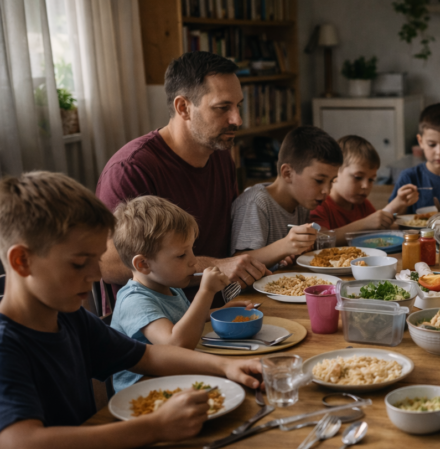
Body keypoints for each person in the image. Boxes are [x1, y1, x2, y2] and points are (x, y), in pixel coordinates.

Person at [0, 172, 262, 449]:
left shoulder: (69, 317)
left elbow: (149, 356)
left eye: (95, 259)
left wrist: (226, 366)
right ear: (21, 261)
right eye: (79, 263)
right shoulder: (7, 346)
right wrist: (155, 427)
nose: (94, 275)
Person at [97, 51, 269, 295]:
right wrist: (216, 266)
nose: (237, 119)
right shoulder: (131, 169)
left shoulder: (220, 154)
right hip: (156, 321)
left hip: (218, 302)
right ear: (183, 107)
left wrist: (256, 263)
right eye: (223, 108)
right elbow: (107, 264)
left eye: (238, 106)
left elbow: (230, 236)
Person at [110, 196, 256, 391]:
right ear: (143, 264)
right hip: (145, 393)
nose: (194, 261)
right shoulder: (135, 302)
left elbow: (182, 320)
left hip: (177, 378)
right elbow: (176, 345)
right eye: (181, 255)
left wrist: (215, 312)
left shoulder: (169, 286)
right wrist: (206, 292)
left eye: (191, 250)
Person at [230, 126, 341, 270]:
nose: (327, 190)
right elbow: (237, 262)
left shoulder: (302, 203)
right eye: (319, 180)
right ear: (288, 173)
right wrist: (285, 247)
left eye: (332, 181)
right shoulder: (256, 203)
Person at [310, 135, 419, 244]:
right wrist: (364, 224)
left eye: (371, 180)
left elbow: (378, 226)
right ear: (335, 173)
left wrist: (399, 204)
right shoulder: (320, 204)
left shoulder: (362, 204)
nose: (366, 185)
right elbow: (320, 240)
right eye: (358, 177)